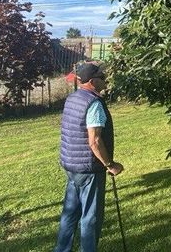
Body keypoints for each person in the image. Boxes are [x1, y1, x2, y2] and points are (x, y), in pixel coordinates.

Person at [54, 61, 124, 252]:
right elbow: (94, 141)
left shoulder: (73, 98)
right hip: (89, 169)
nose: (105, 80)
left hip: (72, 166)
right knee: (91, 218)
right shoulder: (93, 104)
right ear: (92, 81)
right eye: (102, 77)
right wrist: (110, 164)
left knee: (70, 213)